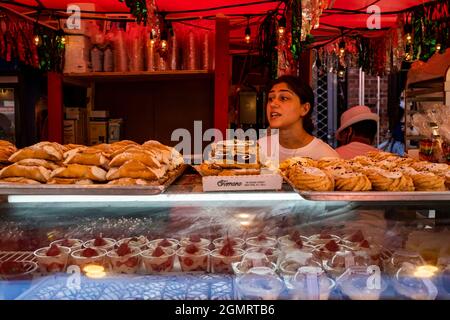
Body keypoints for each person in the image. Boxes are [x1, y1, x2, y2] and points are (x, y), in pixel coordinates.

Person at [258, 75, 339, 164]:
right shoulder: (260, 148)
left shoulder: (325, 157)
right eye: (270, 99)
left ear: (305, 109)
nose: (273, 104)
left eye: (283, 98)